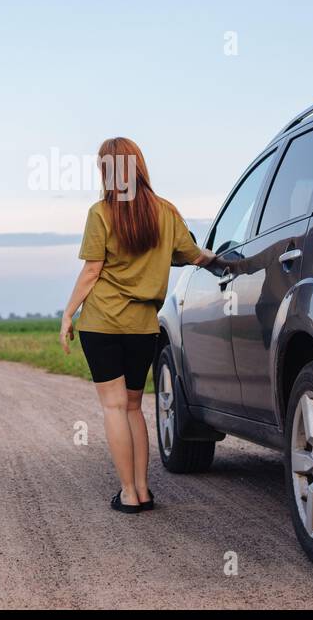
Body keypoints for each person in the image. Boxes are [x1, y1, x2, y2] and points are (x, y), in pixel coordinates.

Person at [59, 137, 224, 513]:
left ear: (106, 170)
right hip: (143, 328)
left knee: (114, 407)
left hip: (102, 324)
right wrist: (226, 261)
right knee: (133, 407)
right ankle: (144, 491)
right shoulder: (166, 212)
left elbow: (91, 271)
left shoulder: (101, 213)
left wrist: (69, 313)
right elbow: (194, 255)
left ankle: (128, 494)